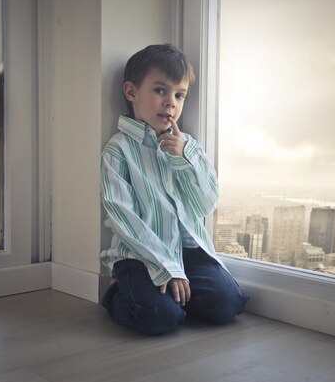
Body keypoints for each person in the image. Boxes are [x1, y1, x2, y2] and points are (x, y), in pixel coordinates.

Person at [100, 44, 249, 335]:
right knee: (158, 318)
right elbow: (124, 217)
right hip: (140, 256)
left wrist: (184, 160)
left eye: (179, 95)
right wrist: (164, 265)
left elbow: (206, 203)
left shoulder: (189, 148)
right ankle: (118, 295)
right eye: (160, 90)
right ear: (132, 93)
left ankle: (174, 298)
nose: (171, 103)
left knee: (228, 303)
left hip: (188, 251)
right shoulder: (118, 150)